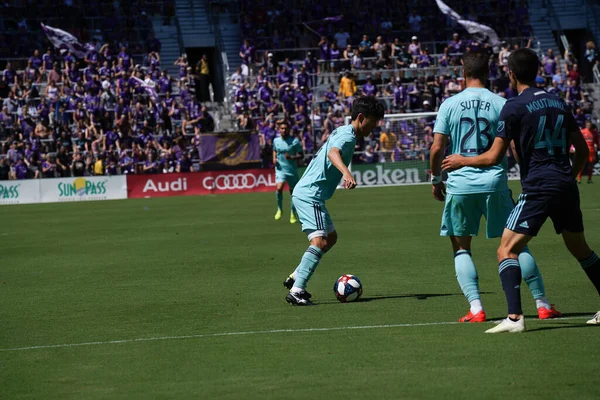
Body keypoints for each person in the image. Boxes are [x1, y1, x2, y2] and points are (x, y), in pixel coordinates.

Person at [442, 48, 600, 332]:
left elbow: (492, 157)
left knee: (506, 249)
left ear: (511, 74)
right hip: (564, 184)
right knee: (580, 249)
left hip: (539, 187)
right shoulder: (558, 101)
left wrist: (460, 160)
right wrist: (571, 175)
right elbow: (583, 149)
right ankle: (541, 304)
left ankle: (514, 318)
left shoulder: (514, 106)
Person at [430, 50, 560, 323]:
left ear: (463, 73)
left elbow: (437, 148)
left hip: (460, 185)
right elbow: (514, 148)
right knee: (517, 246)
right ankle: (542, 303)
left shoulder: (449, 104)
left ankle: (476, 309)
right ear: (489, 73)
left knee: (462, 248)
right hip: (495, 184)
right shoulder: (502, 102)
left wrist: (435, 179)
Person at [282, 96, 385, 305]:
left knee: (331, 237)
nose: (374, 127)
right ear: (361, 117)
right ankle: (297, 289)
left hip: (308, 192)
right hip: (311, 194)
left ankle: (296, 275)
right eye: (373, 122)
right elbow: (332, 152)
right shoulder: (347, 136)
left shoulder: (344, 131)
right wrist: (346, 173)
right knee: (319, 241)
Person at [272, 121, 303, 223]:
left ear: (289, 130)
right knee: (279, 188)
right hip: (280, 169)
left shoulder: (294, 141)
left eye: (285, 128)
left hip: (291, 170)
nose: (284, 130)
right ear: (279, 130)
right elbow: (274, 150)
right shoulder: (276, 140)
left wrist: (292, 157)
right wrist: (274, 158)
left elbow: (301, 155)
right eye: (282, 128)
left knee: (293, 192)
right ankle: (279, 209)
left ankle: (292, 213)